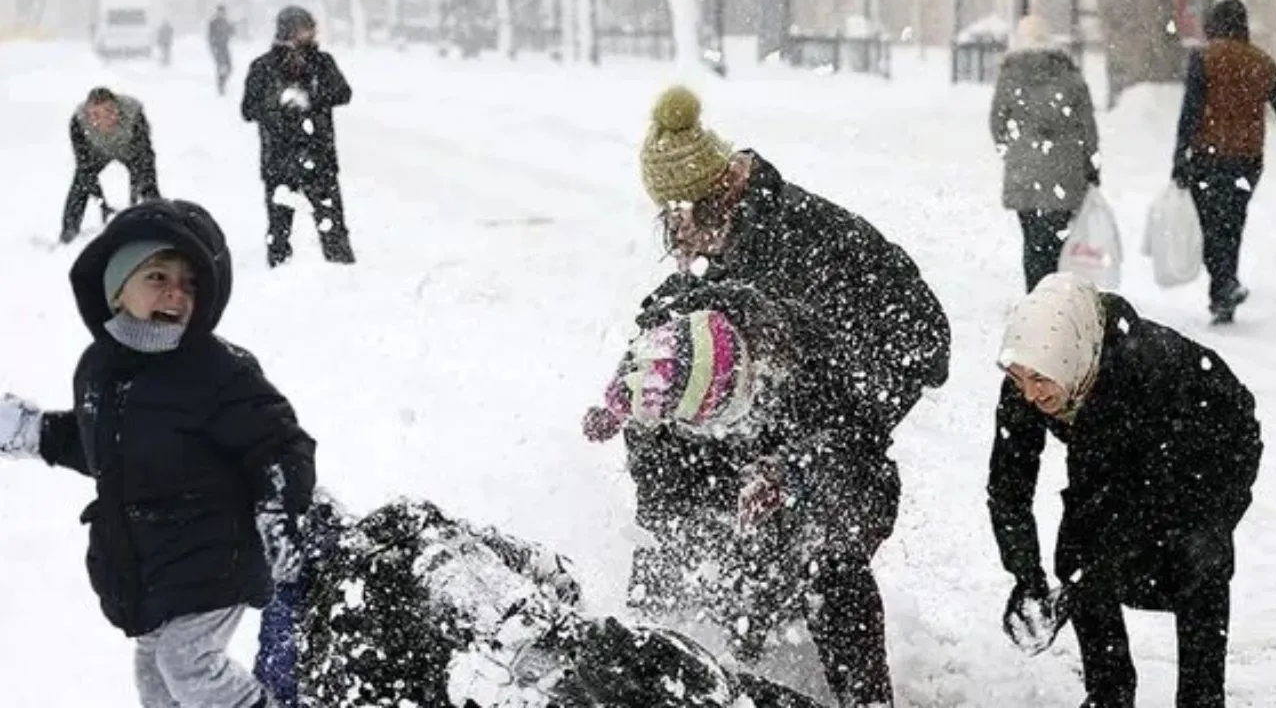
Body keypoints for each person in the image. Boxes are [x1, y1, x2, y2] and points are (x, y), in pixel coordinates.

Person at [0, 199, 317, 708]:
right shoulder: (98, 367)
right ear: (117, 287)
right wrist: (34, 432)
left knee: (188, 665)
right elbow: (103, 446)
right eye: (157, 275)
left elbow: (277, 441)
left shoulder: (216, 371)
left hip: (216, 553)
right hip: (153, 564)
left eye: (190, 283)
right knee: (155, 680)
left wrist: (279, 508)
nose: (176, 292)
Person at [582, 284, 905, 708]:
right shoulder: (652, 393)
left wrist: (787, 475)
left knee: (827, 561)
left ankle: (867, 699)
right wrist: (654, 622)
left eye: (739, 402)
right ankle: (740, 654)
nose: (737, 421)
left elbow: (860, 453)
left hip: (829, 474)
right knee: (711, 565)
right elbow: (660, 523)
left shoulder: (810, 356)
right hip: (716, 469)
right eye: (719, 417)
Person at [253, 491, 825, 708]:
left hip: (531, 683)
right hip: (603, 657)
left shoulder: (321, 639)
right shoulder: (413, 522)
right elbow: (553, 571)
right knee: (700, 685)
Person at [987, 272, 1261, 708]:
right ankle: (1109, 692)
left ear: (1070, 359)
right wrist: (1027, 578)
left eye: (1040, 381)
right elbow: (1008, 489)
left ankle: (1202, 696)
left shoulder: (1147, 368)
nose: (1030, 394)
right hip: (1119, 458)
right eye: (1020, 379)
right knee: (1076, 554)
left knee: (1198, 557)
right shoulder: (1031, 375)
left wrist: (1087, 580)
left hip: (1206, 452)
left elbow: (1147, 501)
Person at [1172, 0, 1276, 324]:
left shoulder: (1204, 58)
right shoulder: (1262, 62)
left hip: (1209, 158)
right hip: (1247, 160)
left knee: (1211, 226)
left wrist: (1180, 156)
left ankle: (1223, 285)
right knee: (1232, 223)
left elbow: (1190, 112)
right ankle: (1225, 291)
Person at [989, 14, 1100, 293]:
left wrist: (1014, 151)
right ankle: (1054, 296)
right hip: (1065, 170)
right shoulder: (1069, 74)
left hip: (1025, 172)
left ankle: (1035, 296)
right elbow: (1087, 125)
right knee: (1057, 242)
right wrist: (1091, 164)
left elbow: (997, 122)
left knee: (1032, 241)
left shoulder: (1010, 74)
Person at [241, 6, 356, 267]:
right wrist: (279, 104)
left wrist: (311, 98)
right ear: (290, 31)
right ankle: (279, 276)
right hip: (279, 159)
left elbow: (343, 93)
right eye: (307, 27)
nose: (312, 33)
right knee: (279, 228)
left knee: (332, 225)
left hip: (320, 157)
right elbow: (248, 109)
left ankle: (344, 276)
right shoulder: (264, 66)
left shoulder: (322, 62)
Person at [61, 87, 160, 244]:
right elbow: (85, 168)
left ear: (117, 108)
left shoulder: (133, 114)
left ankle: (158, 224)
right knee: (80, 183)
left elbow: (144, 157)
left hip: (129, 149)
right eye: (95, 115)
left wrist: (133, 203)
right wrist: (103, 204)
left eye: (108, 112)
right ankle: (68, 234)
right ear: (87, 114)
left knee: (147, 183)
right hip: (97, 151)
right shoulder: (78, 123)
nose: (102, 120)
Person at [209, 4, 235, 96]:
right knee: (221, 67)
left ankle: (222, 83)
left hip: (225, 47)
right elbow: (210, 37)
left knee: (230, 67)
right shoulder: (213, 23)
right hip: (217, 48)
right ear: (217, 12)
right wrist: (213, 48)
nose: (222, 14)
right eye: (220, 12)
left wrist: (232, 27)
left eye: (223, 12)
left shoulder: (226, 22)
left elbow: (232, 32)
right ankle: (220, 86)